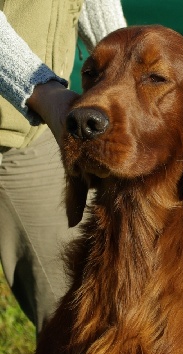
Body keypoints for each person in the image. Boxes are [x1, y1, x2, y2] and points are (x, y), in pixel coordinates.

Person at [0, 0, 126, 333]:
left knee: (77, 321)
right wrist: (43, 91)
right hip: (46, 104)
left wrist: (121, 55)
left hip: (33, 133)